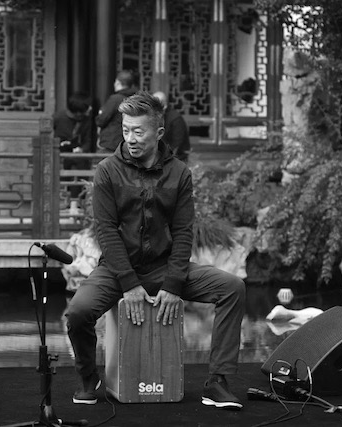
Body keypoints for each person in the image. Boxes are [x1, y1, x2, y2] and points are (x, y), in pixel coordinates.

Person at [65, 91, 246, 409]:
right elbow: (106, 231)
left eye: (138, 131)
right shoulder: (108, 170)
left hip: (164, 267)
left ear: (159, 132)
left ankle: (217, 381)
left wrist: (174, 284)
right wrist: (129, 283)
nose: (130, 139)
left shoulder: (179, 173)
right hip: (117, 269)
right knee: (78, 312)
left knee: (232, 288)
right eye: (126, 130)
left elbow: (183, 231)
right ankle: (88, 378)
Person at [53, 91, 93, 198]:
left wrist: (82, 149)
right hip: (61, 154)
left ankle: (76, 201)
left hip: (78, 156)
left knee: (79, 169)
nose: (90, 109)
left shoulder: (86, 120)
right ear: (78, 112)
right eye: (87, 107)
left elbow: (88, 141)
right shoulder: (59, 117)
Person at [95, 70, 138, 152]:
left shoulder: (115, 99)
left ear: (117, 83)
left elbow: (101, 120)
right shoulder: (134, 99)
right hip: (128, 141)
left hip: (111, 142)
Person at [152, 91, 191, 163]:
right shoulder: (156, 116)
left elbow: (177, 144)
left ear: (164, 106)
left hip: (177, 157)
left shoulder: (175, 119)